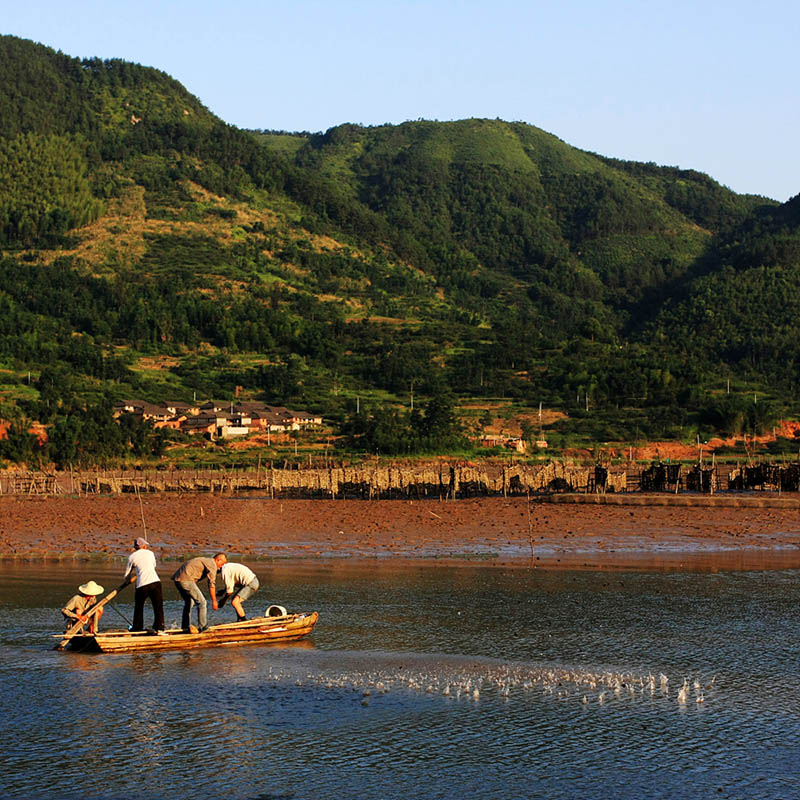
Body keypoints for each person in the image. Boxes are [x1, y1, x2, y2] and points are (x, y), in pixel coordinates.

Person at [171, 553, 224, 632]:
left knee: (189, 602)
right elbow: (211, 584)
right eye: (222, 564)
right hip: (186, 580)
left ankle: (185, 626)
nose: (221, 566)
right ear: (217, 560)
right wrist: (214, 601)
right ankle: (203, 627)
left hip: (178, 580)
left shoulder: (205, 560)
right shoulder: (212, 564)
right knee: (202, 603)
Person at [124, 537, 165, 633]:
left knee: (139, 607)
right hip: (155, 582)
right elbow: (153, 565)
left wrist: (127, 581)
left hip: (142, 585)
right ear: (144, 546)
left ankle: (137, 628)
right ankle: (160, 628)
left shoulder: (132, 557)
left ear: (135, 547)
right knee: (158, 607)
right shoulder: (150, 553)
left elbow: (127, 574)